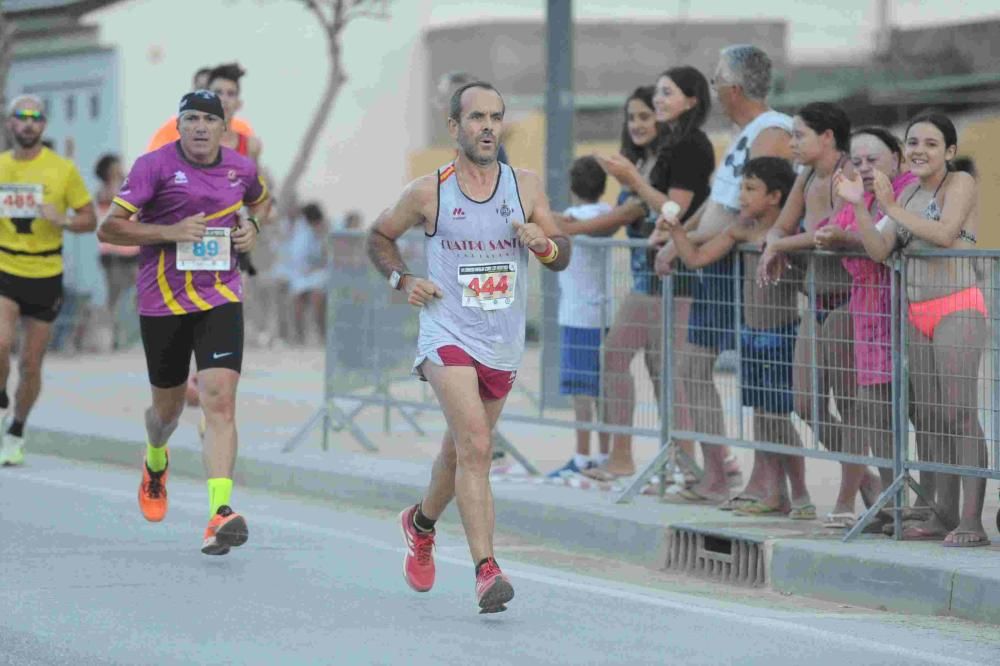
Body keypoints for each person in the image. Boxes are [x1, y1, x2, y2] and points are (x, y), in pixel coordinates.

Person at [366, 81, 570, 612]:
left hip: (501, 342)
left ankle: (421, 522)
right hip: (447, 332)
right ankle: (486, 570)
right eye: (476, 117)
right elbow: (378, 237)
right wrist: (403, 282)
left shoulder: (523, 186)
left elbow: (562, 252)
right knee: (477, 446)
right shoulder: (428, 191)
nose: (487, 127)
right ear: (454, 127)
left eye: (495, 117)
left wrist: (544, 245)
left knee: (458, 451)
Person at [97, 90, 270, 554]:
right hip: (163, 303)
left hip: (220, 296)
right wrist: (168, 232)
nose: (198, 126)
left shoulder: (241, 167)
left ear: (222, 128)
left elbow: (261, 203)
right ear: (179, 125)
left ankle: (219, 513)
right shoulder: (152, 166)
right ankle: (156, 460)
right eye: (189, 118)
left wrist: (254, 227)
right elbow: (109, 227)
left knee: (220, 400)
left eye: (207, 120)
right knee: (167, 413)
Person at [837, 113, 989, 548]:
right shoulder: (910, 193)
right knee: (936, 420)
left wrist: (888, 207)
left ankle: (972, 521)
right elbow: (880, 248)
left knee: (961, 416)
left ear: (950, 152)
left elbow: (943, 235)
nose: (920, 150)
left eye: (931, 143)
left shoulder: (957, 184)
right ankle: (942, 515)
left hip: (956, 307)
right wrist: (858, 207)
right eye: (913, 142)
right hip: (916, 312)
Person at [654, 44, 794, 504]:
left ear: (733, 88)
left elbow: (755, 211)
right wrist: (678, 240)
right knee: (694, 368)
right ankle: (719, 474)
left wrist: (691, 242)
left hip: (743, 269)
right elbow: (718, 206)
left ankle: (781, 484)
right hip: (718, 264)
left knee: (764, 385)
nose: (713, 89)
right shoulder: (743, 134)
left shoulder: (772, 132)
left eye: (716, 81)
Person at [666, 157, 811, 516]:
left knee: (778, 419)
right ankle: (774, 494)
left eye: (750, 189)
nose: (742, 196)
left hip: (781, 336)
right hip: (751, 337)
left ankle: (802, 493)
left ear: (776, 196)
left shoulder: (789, 236)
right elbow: (697, 258)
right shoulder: (742, 230)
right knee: (762, 418)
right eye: (742, 187)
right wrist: (676, 232)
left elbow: (809, 279)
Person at [756, 102, 871, 520]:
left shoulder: (847, 176)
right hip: (815, 302)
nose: (792, 143)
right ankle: (869, 480)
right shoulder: (806, 177)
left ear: (827, 136)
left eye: (799, 134)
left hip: (846, 302)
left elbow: (825, 237)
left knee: (850, 406)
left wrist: (777, 247)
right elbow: (782, 225)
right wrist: (775, 239)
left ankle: (846, 501)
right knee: (806, 404)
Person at [815, 127, 918, 529]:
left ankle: (918, 507)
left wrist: (846, 236)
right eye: (856, 162)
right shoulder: (858, 194)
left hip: (902, 308)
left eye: (873, 161)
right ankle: (892, 504)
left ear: (897, 158)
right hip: (867, 311)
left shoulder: (906, 191)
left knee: (914, 413)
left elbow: (883, 242)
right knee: (873, 410)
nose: (864, 168)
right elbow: (837, 227)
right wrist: (831, 234)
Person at [0, 95, 97, 467]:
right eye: (20, 117)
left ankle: (16, 430)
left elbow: (89, 219)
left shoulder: (62, 170)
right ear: (10, 123)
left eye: (35, 117)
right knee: (2, 342)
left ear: (43, 125)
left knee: (31, 362)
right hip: (6, 267)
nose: (28, 123)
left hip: (45, 272)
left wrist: (64, 220)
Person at [548, 156, 612, 479]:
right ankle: (603, 453)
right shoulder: (605, 214)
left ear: (572, 186)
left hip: (578, 315)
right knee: (600, 390)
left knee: (581, 391)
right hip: (602, 313)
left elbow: (557, 219)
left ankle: (582, 456)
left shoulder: (574, 217)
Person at [146, 66, 254, 153]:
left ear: (239, 103)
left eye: (230, 94)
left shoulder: (244, 133)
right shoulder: (172, 129)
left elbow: (258, 177)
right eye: (218, 92)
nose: (224, 100)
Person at [95, 153, 140, 350]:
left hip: (134, 252)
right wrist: (116, 178)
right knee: (114, 297)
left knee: (143, 294)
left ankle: (136, 334)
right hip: (113, 255)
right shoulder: (103, 192)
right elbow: (115, 199)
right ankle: (113, 336)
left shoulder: (131, 188)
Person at [287, 202, 330, 345]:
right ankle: (298, 338)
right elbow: (297, 256)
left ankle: (322, 334)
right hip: (299, 273)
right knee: (298, 302)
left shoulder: (321, 230)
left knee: (318, 298)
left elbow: (323, 256)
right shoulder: (300, 230)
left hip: (316, 273)